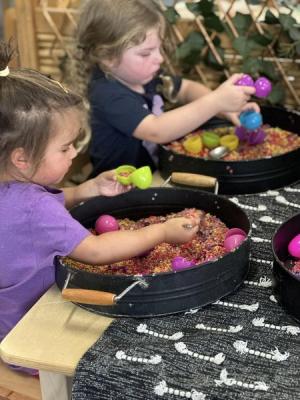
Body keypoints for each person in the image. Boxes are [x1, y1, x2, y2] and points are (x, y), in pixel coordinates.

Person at [0, 41, 200, 373]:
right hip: (39, 334)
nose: (74, 154)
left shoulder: (14, 191)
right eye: (65, 149)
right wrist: (161, 231)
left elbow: (32, 217)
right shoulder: (35, 207)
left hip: (8, 324)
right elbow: (96, 251)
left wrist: (87, 189)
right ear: (21, 158)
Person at [72, 0, 259, 177]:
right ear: (107, 57)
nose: (160, 58)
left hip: (155, 179)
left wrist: (225, 109)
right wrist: (216, 101)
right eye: (146, 53)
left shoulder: (144, 76)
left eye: (159, 49)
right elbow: (156, 130)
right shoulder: (107, 94)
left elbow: (187, 88)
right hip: (117, 194)